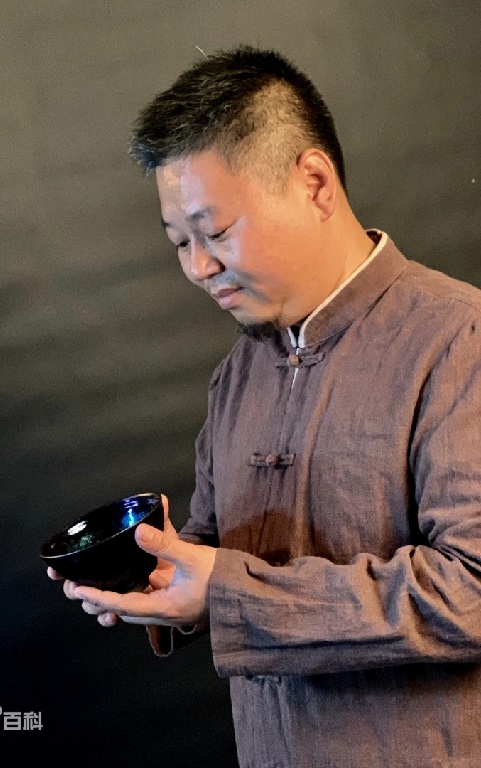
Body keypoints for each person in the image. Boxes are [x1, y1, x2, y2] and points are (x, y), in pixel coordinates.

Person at [48, 45, 481, 767]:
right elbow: (218, 558)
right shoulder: (237, 375)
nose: (199, 268)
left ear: (315, 183)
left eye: (216, 232)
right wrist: (160, 573)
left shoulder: (459, 339)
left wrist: (227, 594)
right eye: (180, 243)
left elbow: (470, 591)